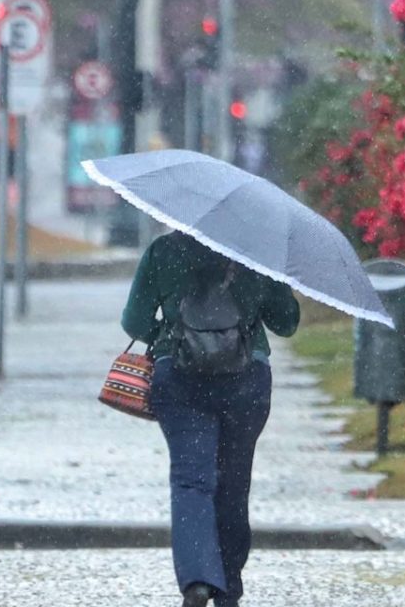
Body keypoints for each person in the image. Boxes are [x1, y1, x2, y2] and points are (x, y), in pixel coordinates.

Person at [122, 230, 300, 607]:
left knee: (191, 481)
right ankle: (229, 586)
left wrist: (169, 336)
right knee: (234, 485)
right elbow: (286, 322)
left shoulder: (163, 251)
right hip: (246, 381)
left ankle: (198, 579)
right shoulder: (255, 249)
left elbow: (134, 320)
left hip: (180, 381)